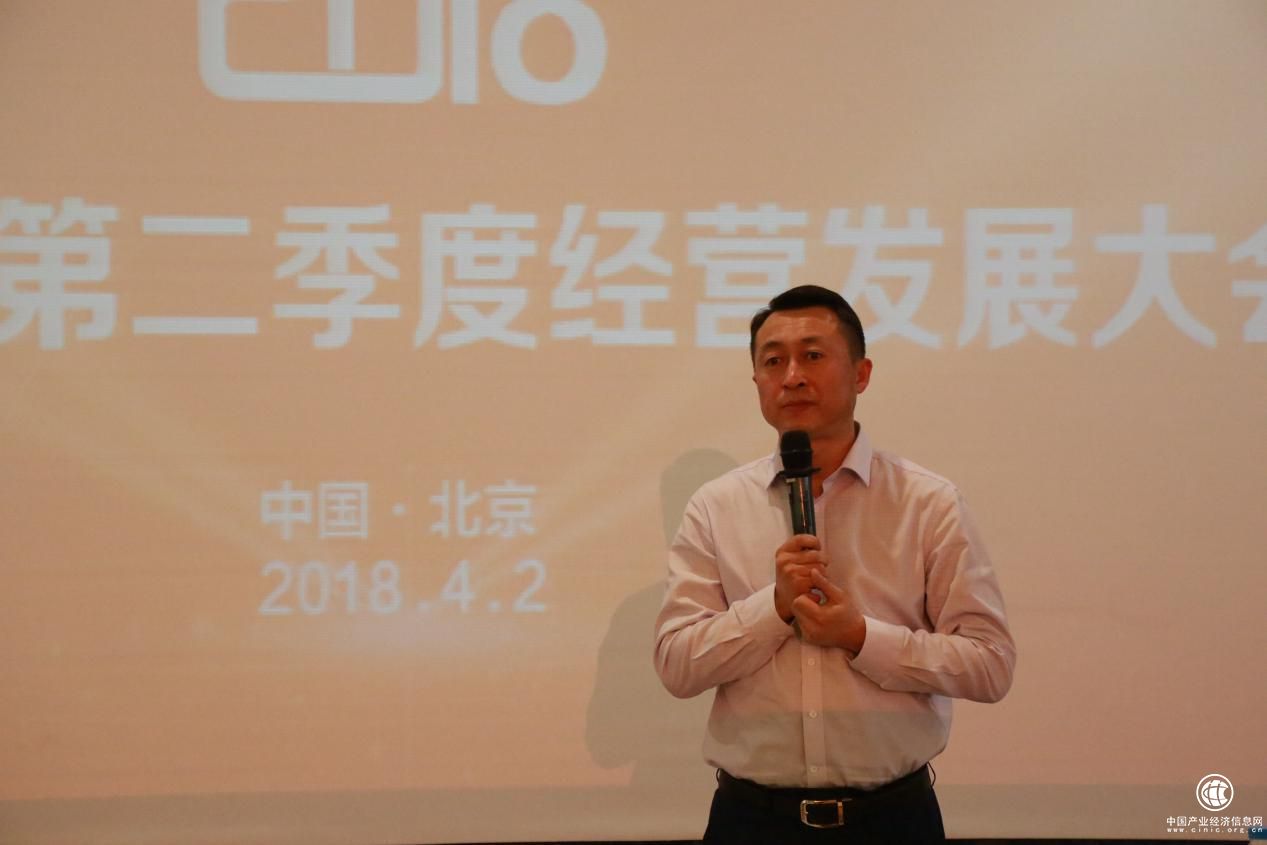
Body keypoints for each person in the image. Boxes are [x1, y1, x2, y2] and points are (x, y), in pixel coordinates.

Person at [653, 285, 1016, 843]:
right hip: (751, 821)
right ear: (757, 382)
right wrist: (773, 609)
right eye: (773, 361)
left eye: (813, 355)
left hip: (893, 820)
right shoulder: (716, 506)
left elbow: (989, 665)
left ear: (861, 374)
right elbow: (678, 667)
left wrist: (860, 637)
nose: (792, 376)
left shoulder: (927, 502)